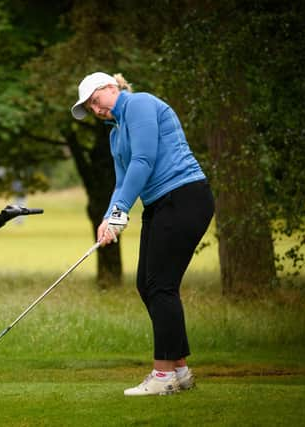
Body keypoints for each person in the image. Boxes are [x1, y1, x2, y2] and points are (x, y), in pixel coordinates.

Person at [71, 72, 214, 396]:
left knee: (160, 285)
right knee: (147, 284)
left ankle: (163, 376)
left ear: (112, 88)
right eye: (90, 107)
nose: (95, 109)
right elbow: (123, 181)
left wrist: (119, 211)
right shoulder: (115, 134)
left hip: (184, 196)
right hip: (160, 204)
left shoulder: (139, 104)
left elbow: (144, 160)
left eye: (95, 100)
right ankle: (180, 371)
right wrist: (111, 219)